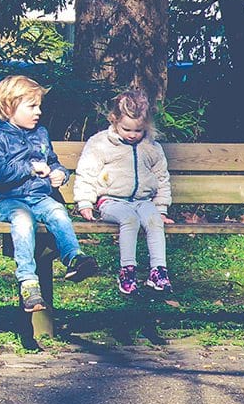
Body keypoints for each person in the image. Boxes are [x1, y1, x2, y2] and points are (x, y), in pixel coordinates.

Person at [0, 75, 99, 312]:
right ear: (8, 107)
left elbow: (53, 162)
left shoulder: (40, 134)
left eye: (39, 106)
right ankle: (28, 282)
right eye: (32, 106)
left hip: (38, 197)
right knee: (24, 221)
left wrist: (59, 173)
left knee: (57, 210)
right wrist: (30, 168)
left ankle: (74, 258)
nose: (38, 112)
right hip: (7, 200)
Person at [73, 88, 173, 295]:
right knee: (130, 219)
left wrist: (161, 208)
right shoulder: (101, 143)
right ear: (114, 120)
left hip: (143, 201)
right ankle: (127, 271)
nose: (132, 135)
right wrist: (85, 202)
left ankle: (158, 271)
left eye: (138, 130)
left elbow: (162, 178)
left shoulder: (151, 146)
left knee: (154, 220)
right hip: (111, 202)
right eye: (126, 129)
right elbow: (87, 172)